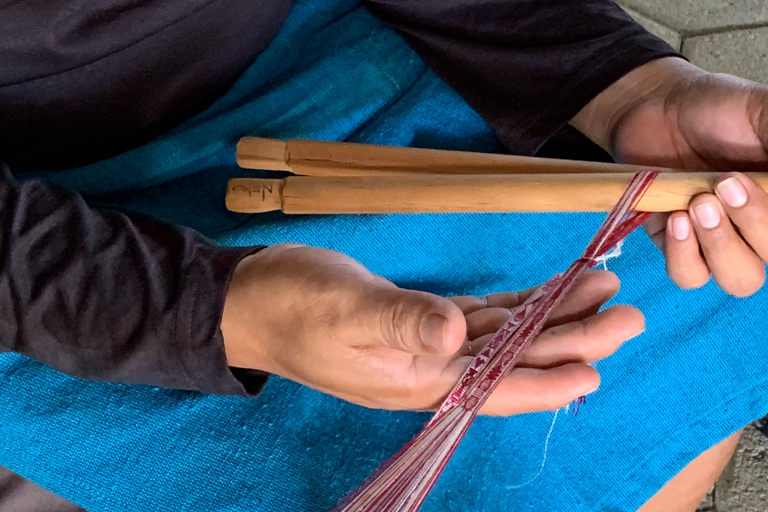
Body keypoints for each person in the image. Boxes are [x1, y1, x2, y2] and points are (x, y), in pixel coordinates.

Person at [0, 1, 766, 511]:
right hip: (47, 249)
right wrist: (224, 315)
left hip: (342, 44)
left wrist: (624, 83)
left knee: (723, 293)